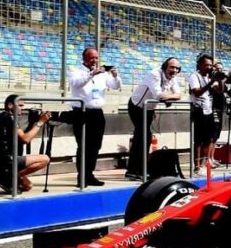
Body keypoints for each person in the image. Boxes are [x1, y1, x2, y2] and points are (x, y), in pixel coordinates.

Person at [0, 94, 51, 194]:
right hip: (5, 160)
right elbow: (26, 139)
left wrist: (33, 122)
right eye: (20, 106)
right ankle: (7, 176)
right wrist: (40, 122)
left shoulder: (1, 118)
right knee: (45, 159)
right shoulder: (10, 118)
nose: (22, 109)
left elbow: (20, 138)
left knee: (27, 186)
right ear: (10, 105)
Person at [68, 47, 121, 186]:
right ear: (84, 58)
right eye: (92, 58)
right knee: (83, 145)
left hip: (97, 112)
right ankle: (82, 176)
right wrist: (91, 74)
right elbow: (76, 83)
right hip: (81, 112)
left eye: (96, 58)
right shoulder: (76, 70)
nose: (95, 60)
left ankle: (89, 174)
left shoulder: (102, 73)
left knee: (95, 146)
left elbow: (115, 86)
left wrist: (115, 76)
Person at [125, 57, 182, 180]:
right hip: (137, 106)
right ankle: (134, 169)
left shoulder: (173, 78)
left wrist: (168, 97)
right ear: (165, 66)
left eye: (177, 68)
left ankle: (139, 168)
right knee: (142, 136)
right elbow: (158, 94)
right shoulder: (154, 74)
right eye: (172, 67)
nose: (175, 70)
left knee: (145, 136)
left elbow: (179, 94)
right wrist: (170, 97)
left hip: (149, 108)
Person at [188, 54, 226, 176]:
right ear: (200, 65)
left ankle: (204, 164)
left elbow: (220, 91)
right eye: (206, 65)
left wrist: (219, 80)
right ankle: (197, 166)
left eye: (210, 65)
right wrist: (211, 83)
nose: (209, 67)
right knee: (198, 140)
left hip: (208, 110)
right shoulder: (195, 76)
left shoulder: (210, 77)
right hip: (199, 110)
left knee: (208, 139)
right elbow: (197, 92)